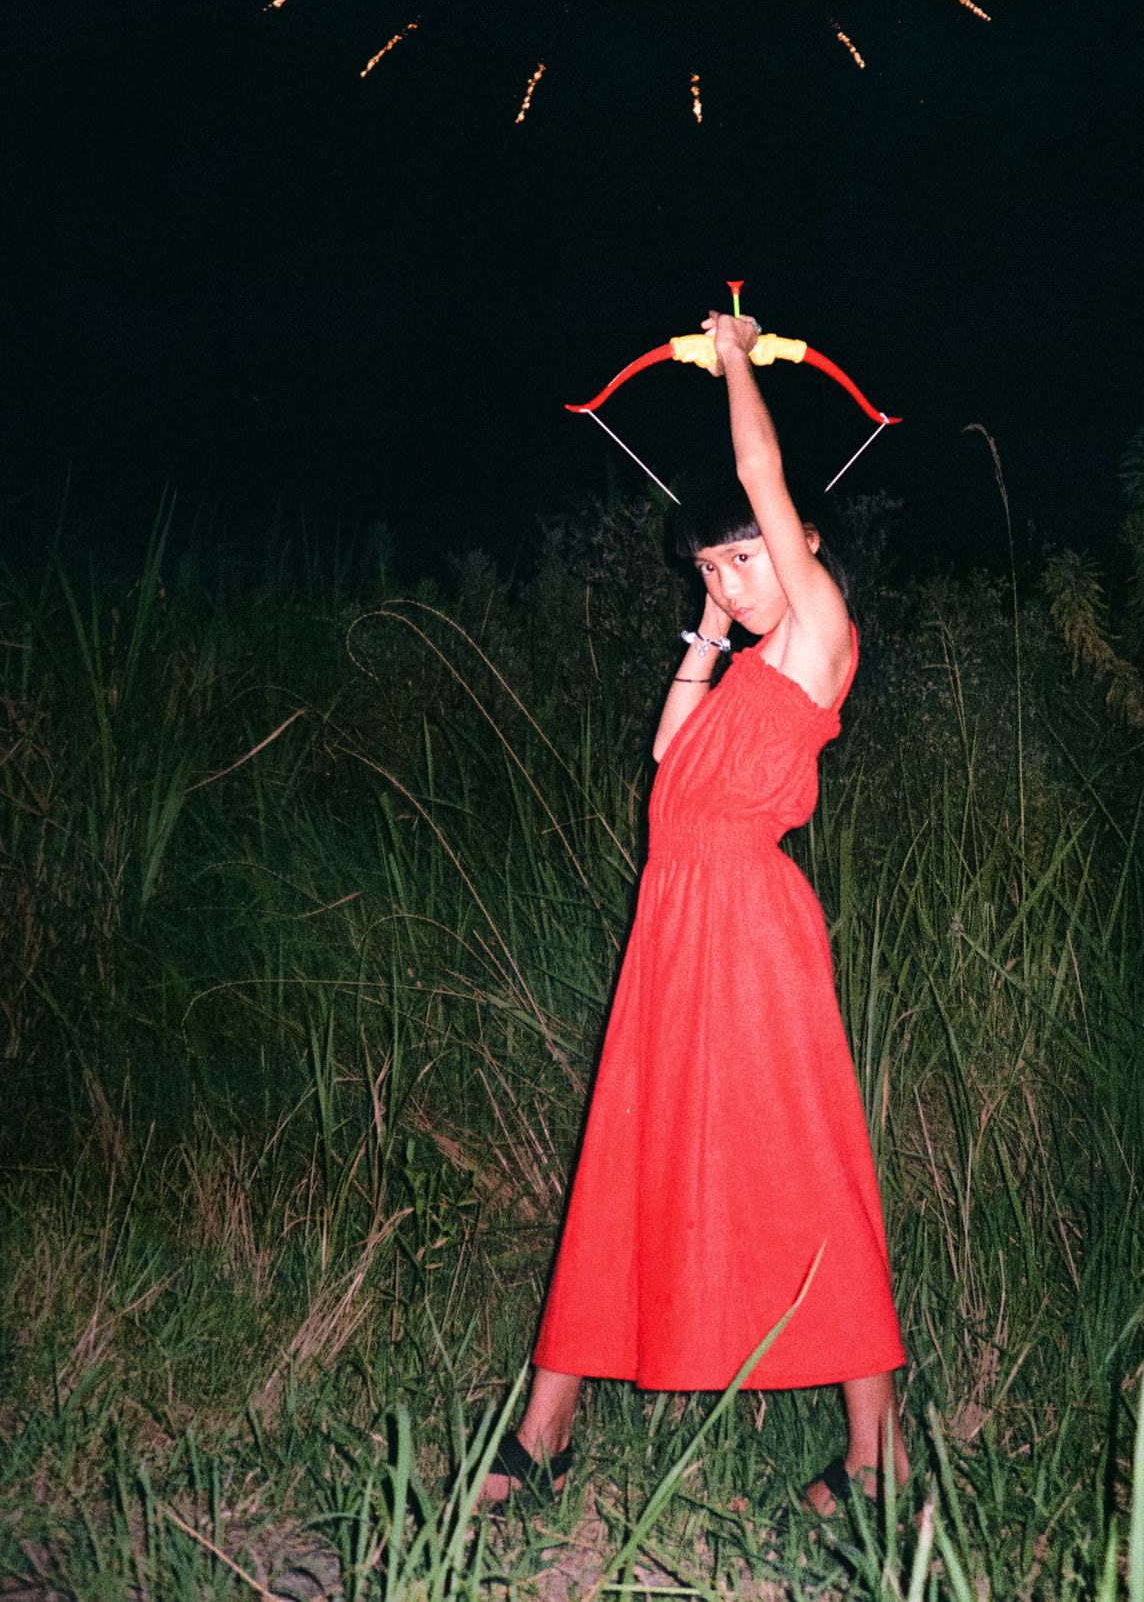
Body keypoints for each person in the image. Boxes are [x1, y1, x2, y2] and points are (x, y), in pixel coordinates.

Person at [483, 308, 908, 1518]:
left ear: (804, 548)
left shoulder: (820, 634)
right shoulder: (739, 664)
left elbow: (764, 474)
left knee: (808, 1166)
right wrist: (706, 630)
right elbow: (667, 761)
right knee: (627, 1153)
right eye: (709, 565)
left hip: (752, 932)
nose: (728, 576)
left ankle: (877, 1456)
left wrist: (732, 360)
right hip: (672, 933)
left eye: (743, 558)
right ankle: (546, 1428)